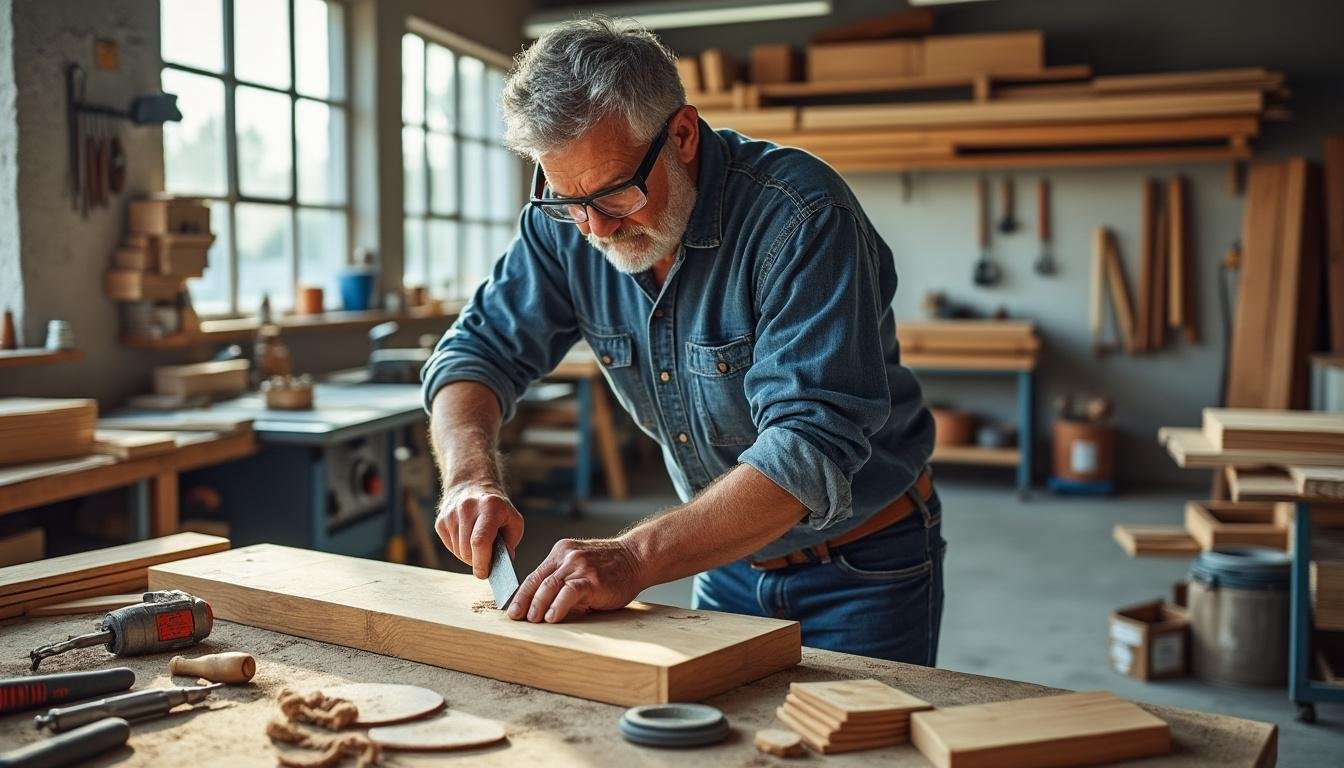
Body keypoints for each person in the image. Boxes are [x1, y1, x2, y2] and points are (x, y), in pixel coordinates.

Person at [421, 16, 942, 664]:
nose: (595, 229)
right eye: (564, 200)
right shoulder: (569, 224)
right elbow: (475, 352)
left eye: (615, 195)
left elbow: (807, 448)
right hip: (722, 558)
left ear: (683, 134)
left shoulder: (802, 216)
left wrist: (635, 557)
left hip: (862, 566)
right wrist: (469, 478)